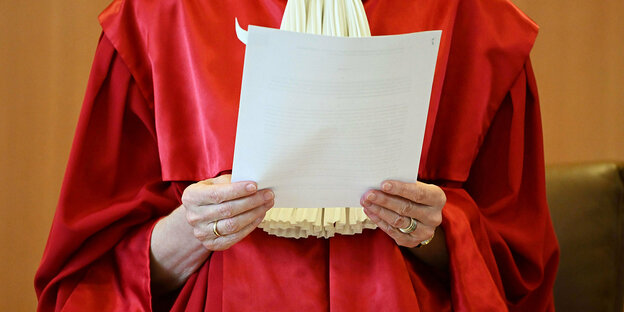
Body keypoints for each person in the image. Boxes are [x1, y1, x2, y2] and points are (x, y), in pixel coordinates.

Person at [35, 0, 559, 311]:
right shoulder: (158, 16)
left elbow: (521, 277)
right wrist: (192, 230)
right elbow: (84, 287)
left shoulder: (474, 18)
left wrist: (437, 230)